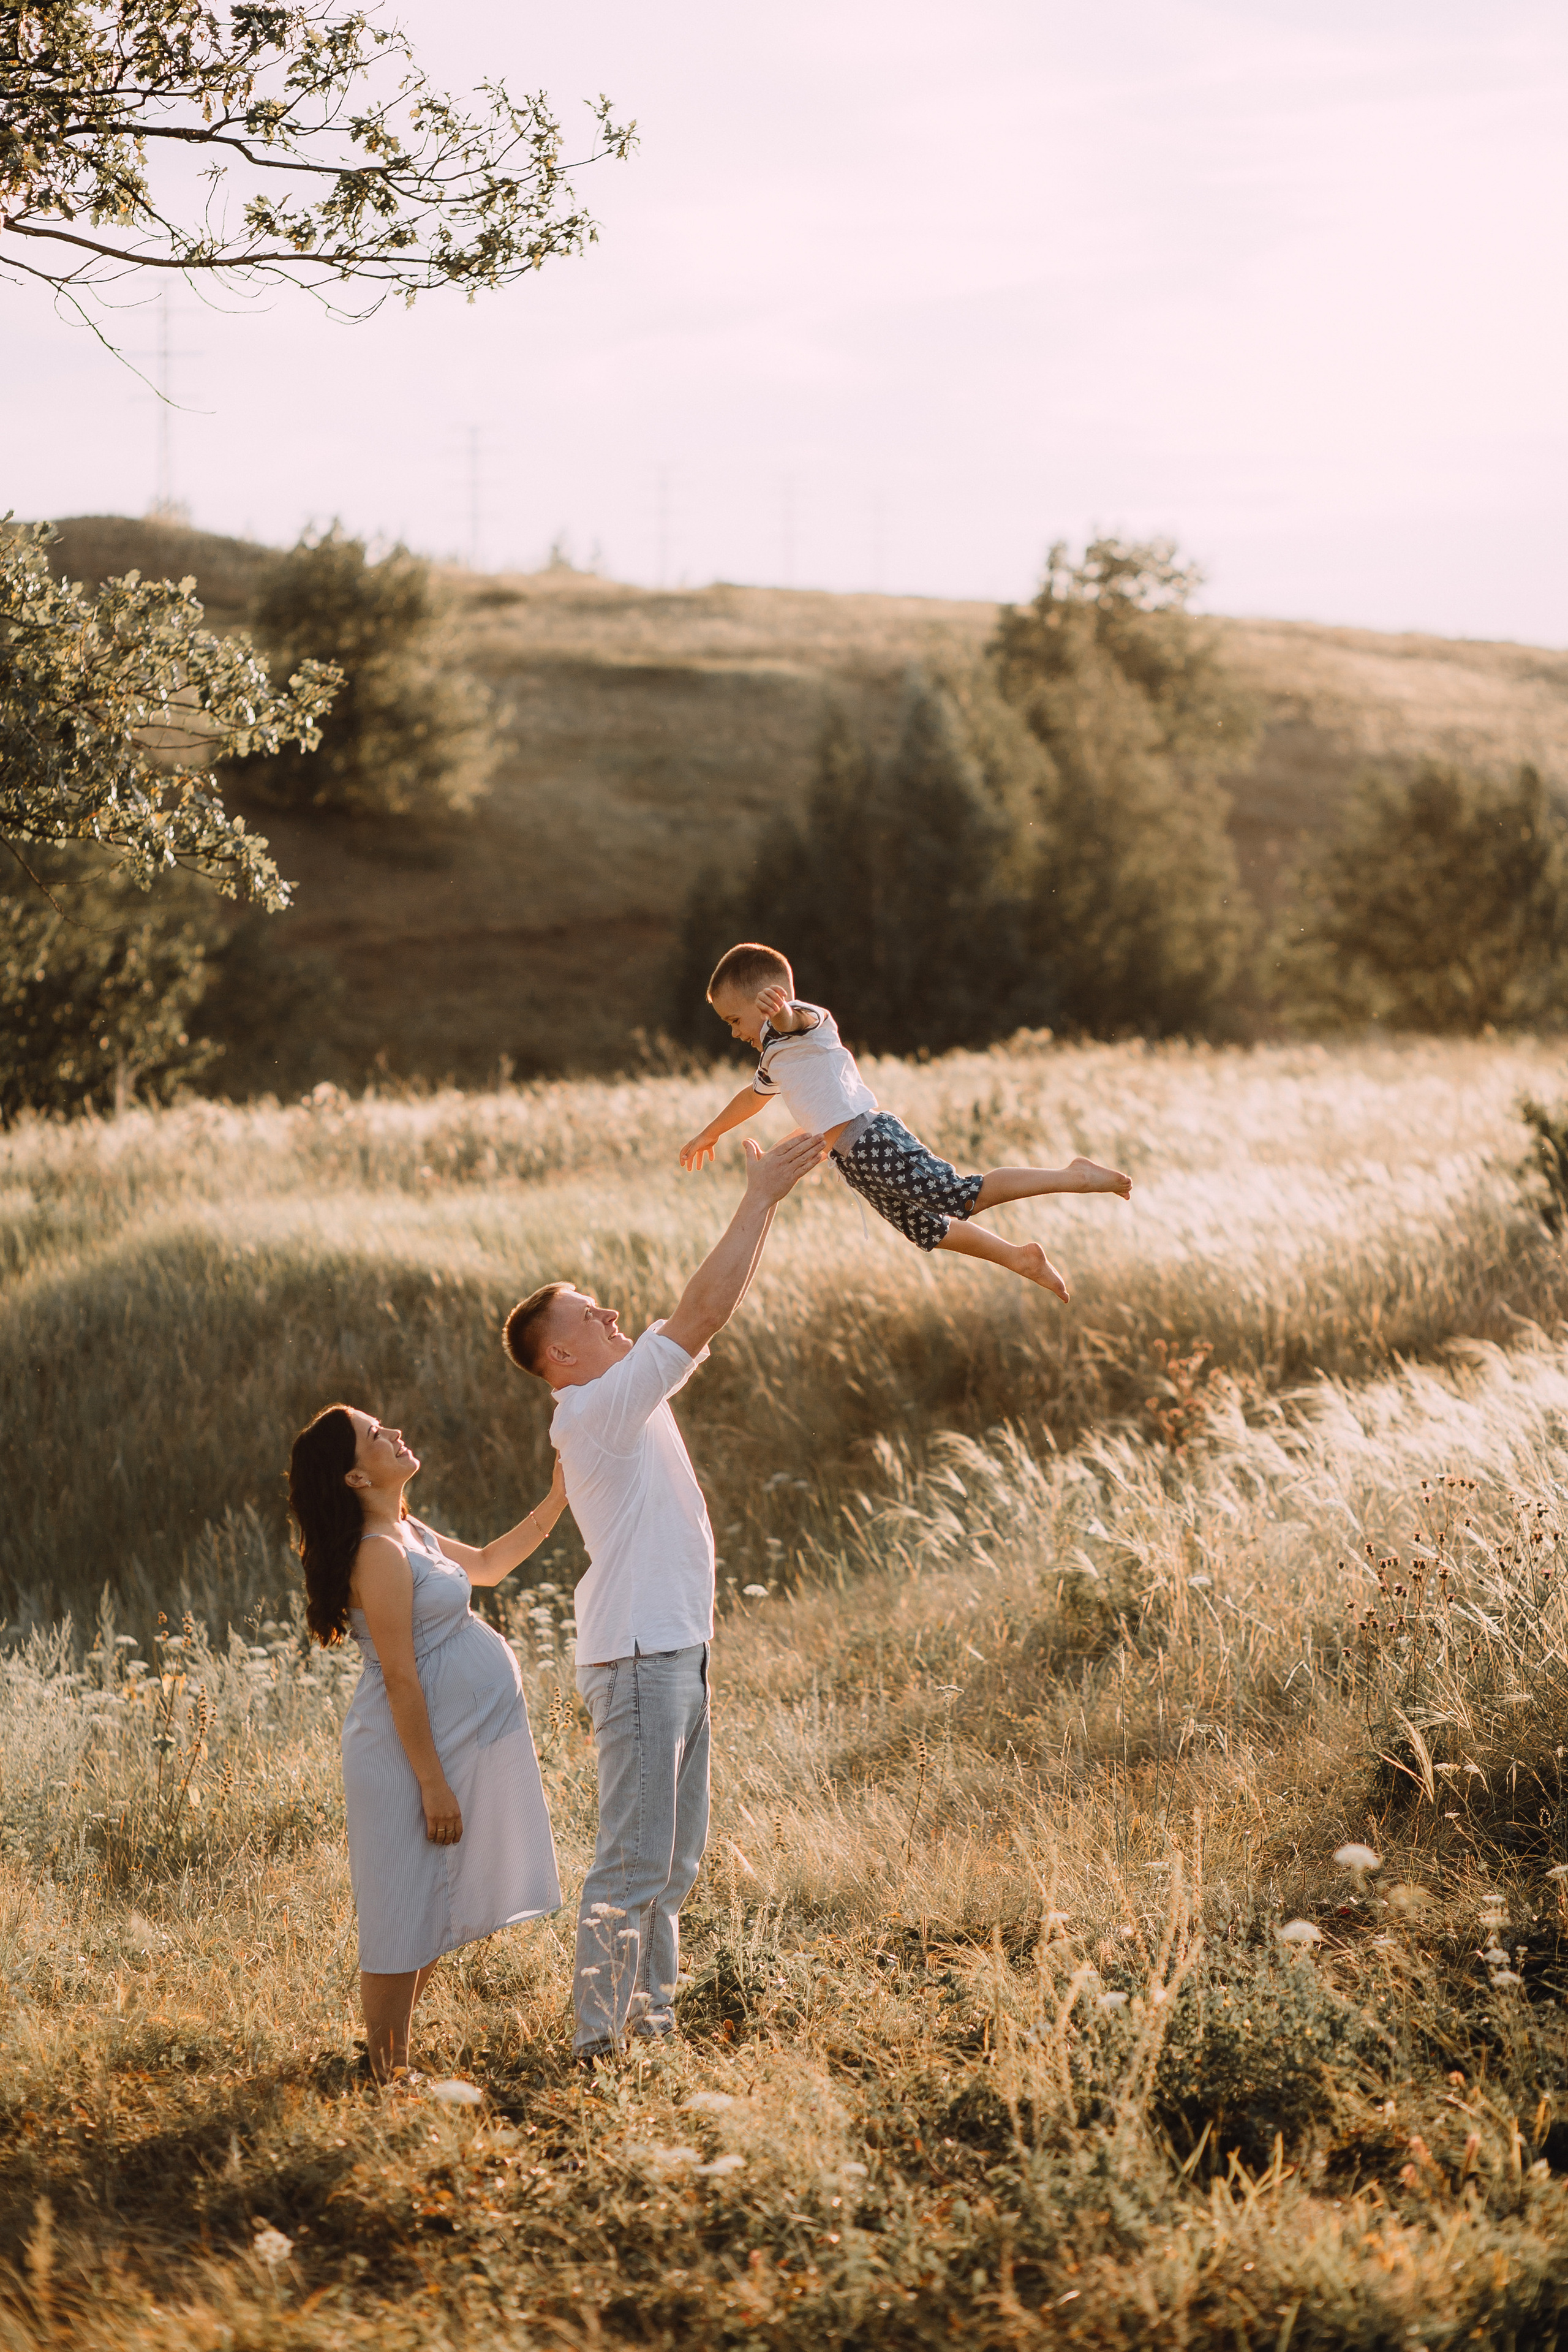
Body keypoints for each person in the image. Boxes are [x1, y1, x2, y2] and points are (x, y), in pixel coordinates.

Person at [501, 1126, 826, 2065]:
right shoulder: (593, 1409)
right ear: (559, 1360)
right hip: (641, 1657)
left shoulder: (623, 1399)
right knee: (635, 1859)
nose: (611, 1317)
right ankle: (598, 2044)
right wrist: (760, 1195)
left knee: (672, 1866)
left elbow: (703, 1312)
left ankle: (650, 2025)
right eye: (590, 1317)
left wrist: (770, 1200)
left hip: (673, 1649)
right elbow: (701, 1315)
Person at [288, 1404, 568, 2081]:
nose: (394, 1432)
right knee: (401, 1905)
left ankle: (388, 2059)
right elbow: (400, 1679)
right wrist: (432, 1783)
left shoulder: (408, 1531)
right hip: (405, 1755)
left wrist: (560, 1495)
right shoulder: (379, 1553)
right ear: (355, 1477)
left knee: (433, 1900)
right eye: (374, 1435)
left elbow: (493, 1566)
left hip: (450, 1743)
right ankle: (387, 2071)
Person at [679, 941, 1132, 1303]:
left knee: (958, 1196)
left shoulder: (805, 1024)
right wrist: (710, 1132)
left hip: (873, 1139)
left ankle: (1074, 1175)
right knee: (926, 1229)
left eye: (735, 1019)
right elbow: (751, 1098)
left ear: (767, 1003)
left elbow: (792, 1017)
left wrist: (779, 1012)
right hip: (853, 1161)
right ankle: (1019, 1258)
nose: (735, 1032)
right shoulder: (774, 1055)